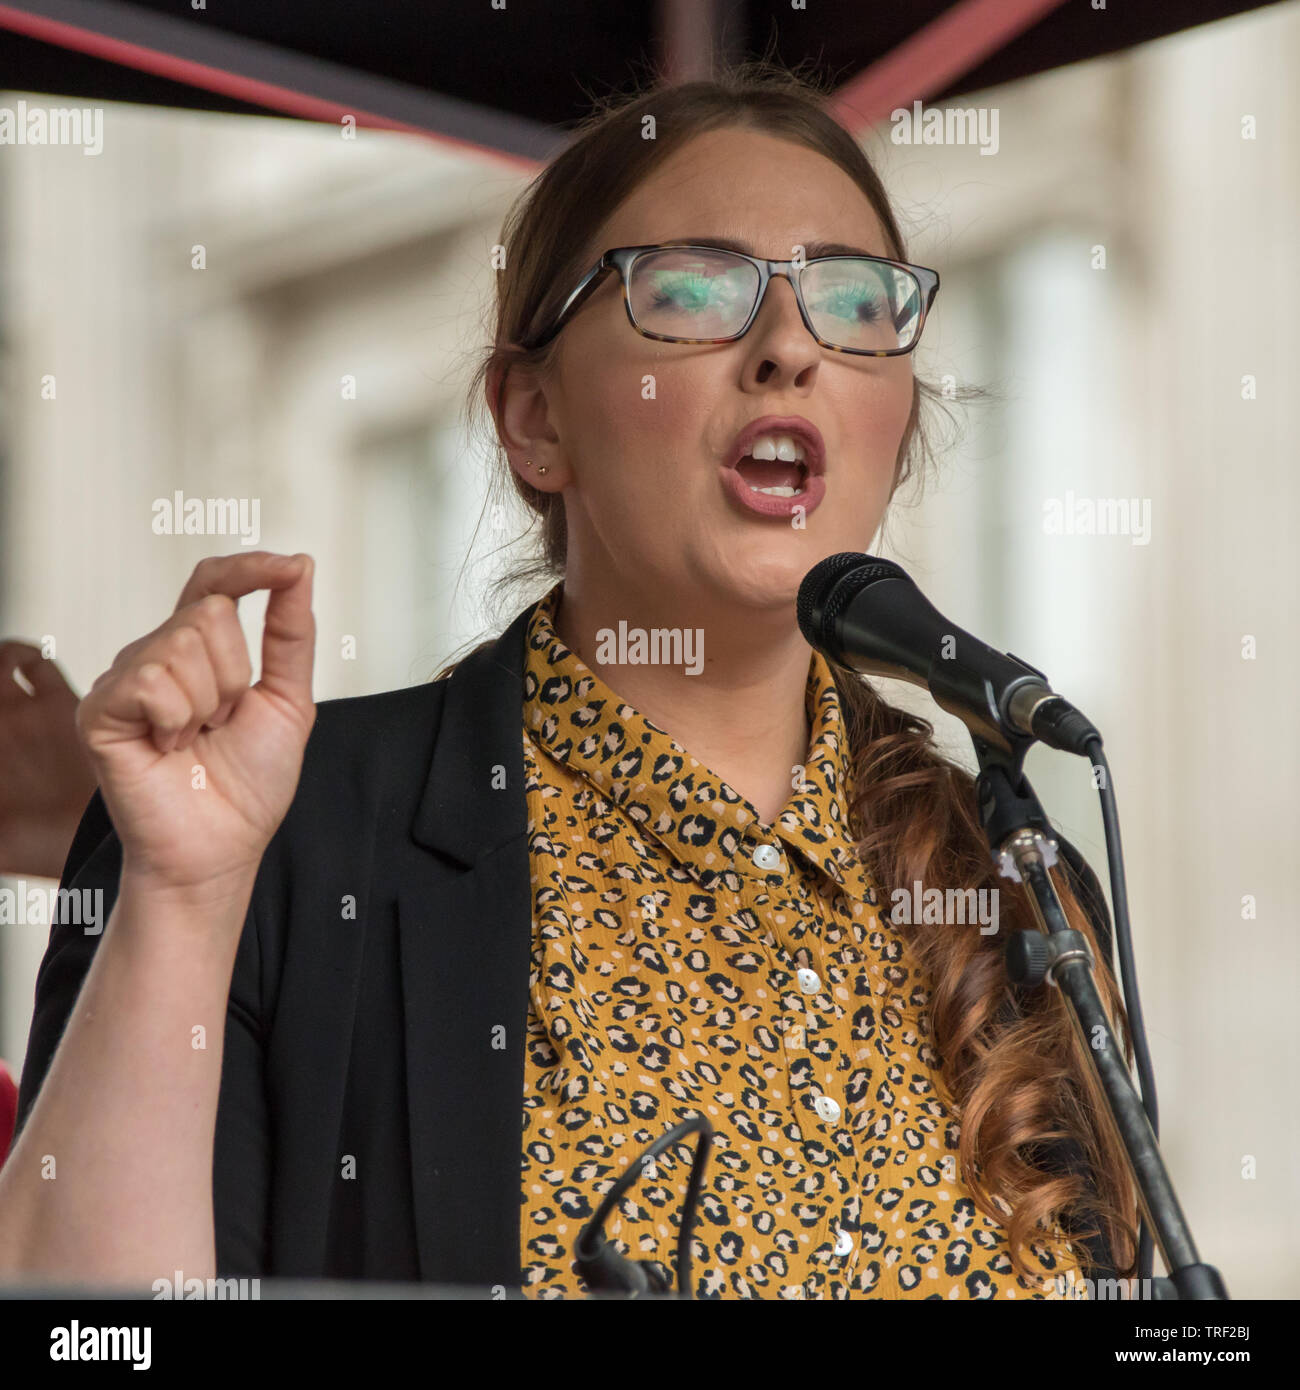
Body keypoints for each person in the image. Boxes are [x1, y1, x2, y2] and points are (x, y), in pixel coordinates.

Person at [0, 62, 1138, 1300]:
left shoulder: (1017, 882)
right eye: (694, 292)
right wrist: (178, 892)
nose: (786, 349)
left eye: (852, 303)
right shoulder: (275, 837)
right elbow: (87, 1332)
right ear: (533, 419)